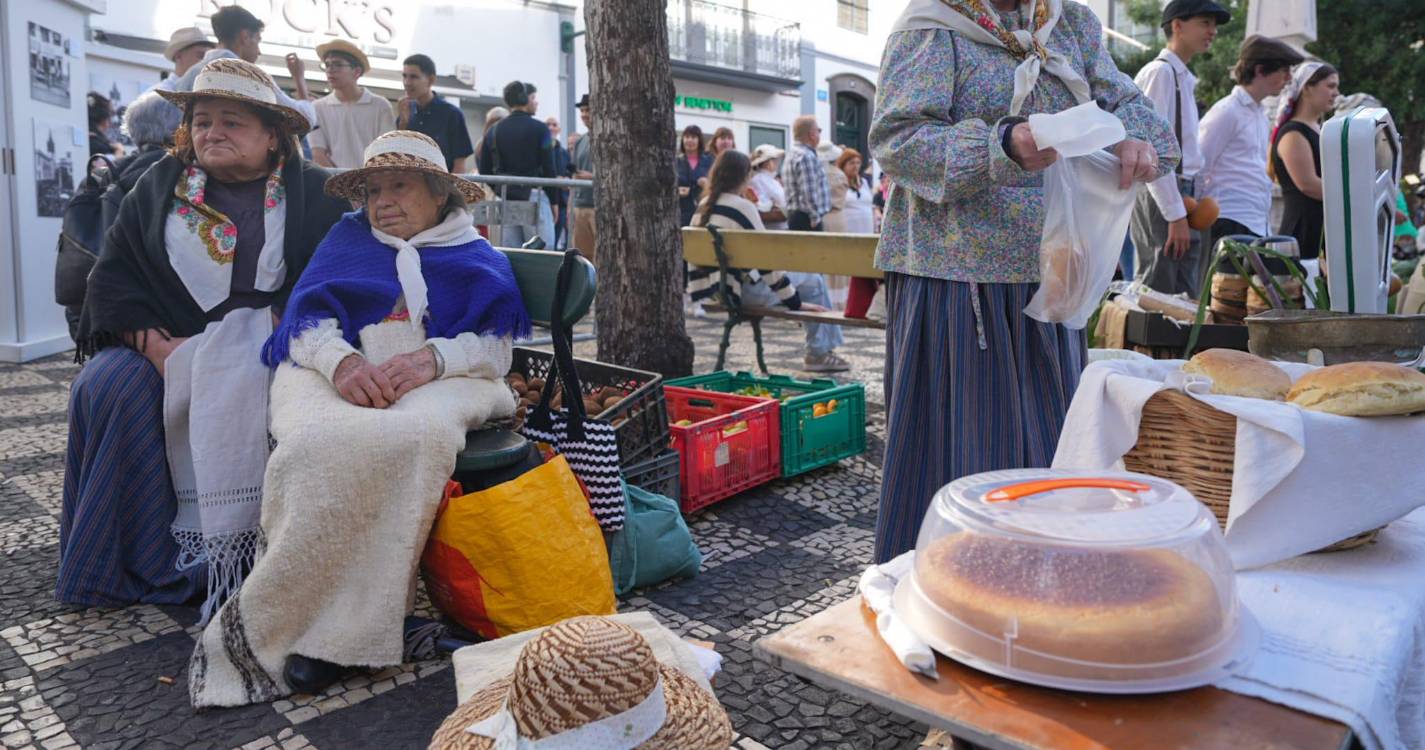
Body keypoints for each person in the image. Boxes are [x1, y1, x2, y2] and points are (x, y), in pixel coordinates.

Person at [190, 130, 528, 705]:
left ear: (441, 193)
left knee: (410, 436)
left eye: (399, 185)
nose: (382, 201)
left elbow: (497, 351)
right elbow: (305, 324)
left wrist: (432, 358)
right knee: (314, 443)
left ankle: (345, 637)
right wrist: (342, 362)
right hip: (332, 369)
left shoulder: (477, 256)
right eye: (373, 189)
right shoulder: (347, 239)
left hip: (440, 378)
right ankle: (289, 619)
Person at [870, 0, 1176, 563]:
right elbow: (898, 140)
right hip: (960, 285)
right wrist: (1002, 145)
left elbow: (1128, 104)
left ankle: (1045, 582)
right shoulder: (934, 27)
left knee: (1051, 449)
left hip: (1056, 280)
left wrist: (1138, 143)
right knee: (971, 459)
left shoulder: (1071, 24)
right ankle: (955, 589)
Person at [59, 59, 346, 609]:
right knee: (107, 384)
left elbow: (339, 277)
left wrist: (278, 335)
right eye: (202, 120)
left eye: (232, 122)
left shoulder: (317, 192)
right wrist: (160, 351)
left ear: (272, 135)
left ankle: (276, 558)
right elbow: (114, 277)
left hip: (284, 341)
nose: (212, 131)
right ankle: (135, 560)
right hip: (173, 341)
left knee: (294, 398)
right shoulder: (158, 186)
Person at [688, 150, 850, 373]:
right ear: (744, 177)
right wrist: (794, 302)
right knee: (813, 280)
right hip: (744, 293)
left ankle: (821, 348)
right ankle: (819, 352)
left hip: (716, 291)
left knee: (805, 281)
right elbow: (765, 264)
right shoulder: (743, 207)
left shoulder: (704, 205)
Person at [1131, 0, 1229, 296]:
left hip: (1183, 193)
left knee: (1185, 296)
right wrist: (1174, 214)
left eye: (1213, 24)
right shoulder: (1160, 73)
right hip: (1162, 191)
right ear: (1177, 25)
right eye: (1205, 22)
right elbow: (1151, 148)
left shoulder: (1181, 77)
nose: (1212, 31)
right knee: (1157, 293)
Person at [1198, 35, 1305, 254]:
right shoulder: (1227, 111)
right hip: (1228, 218)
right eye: (1283, 70)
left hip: (1254, 221)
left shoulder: (1259, 112)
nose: (1288, 78)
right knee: (1226, 288)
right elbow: (1199, 165)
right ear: (1260, 70)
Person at [168, 5, 316, 130]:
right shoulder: (248, 74)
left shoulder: (187, 76)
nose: (259, 51)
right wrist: (299, 79)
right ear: (245, 37)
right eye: (257, 40)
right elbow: (304, 118)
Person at [1270, 62, 1339, 263]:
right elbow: (1308, 185)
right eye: (1330, 86)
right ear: (1308, 87)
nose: (1336, 93)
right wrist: (1355, 195)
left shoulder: (1321, 130)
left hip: (1323, 231)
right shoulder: (1293, 133)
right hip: (1303, 231)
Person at [477, 81, 557, 248]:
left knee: (511, 255)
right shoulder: (541, 129)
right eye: (533, 97)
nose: (536, 102)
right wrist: (555, 201)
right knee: (542, 254)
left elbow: (484, 168)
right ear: (525, 98)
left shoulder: (494, 130)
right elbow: (549, 167)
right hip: (536, 195)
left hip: (506, 197)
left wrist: (499, 188)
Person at [309, 40, 396, 169]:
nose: (330, 70)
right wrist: (341, 182)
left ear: (356, 72)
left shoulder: (380, 105)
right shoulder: (317, 107)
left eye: (337, 64)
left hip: (373, 182)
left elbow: (387, 152)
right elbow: (318, 154)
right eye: (327, 65)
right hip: (333, 182)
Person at [397, 54, 474, 174]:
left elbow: (459, 164)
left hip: (441, 188)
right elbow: (397, 155)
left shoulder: (452, 114)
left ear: (431, 80)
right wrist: (403, 124)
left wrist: (451, 190)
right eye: (404, 76)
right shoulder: (405, 111)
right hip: (409, 185)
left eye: (413, 77)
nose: (407, 82)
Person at [782, 115, 832, 231]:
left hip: (797, 216)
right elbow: (808, 191)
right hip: (807, 219)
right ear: (812, 134)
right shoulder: (806, 156)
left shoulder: (792, 153)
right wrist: (815, 218)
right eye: (819, 130)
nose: (819, 134)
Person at [569, 94, 598, 261]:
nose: (584, 114)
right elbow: (574, 177)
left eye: (588, 109)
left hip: (598, 207)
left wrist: (592, 177)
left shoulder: (607, 137)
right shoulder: (580, 141)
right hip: (579, 207)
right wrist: (570, 208)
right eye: (582, 110)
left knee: (602, 257)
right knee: (583, 258)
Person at [154, 27, 214, 92]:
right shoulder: (162, 95)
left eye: (208, 57)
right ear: (178, 56)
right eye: (201, 56)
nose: (206, 62)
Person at [676, 125, 713, 227]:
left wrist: (707, 183)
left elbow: (716, 184)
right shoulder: (676, 162)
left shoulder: (709, 161)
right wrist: (677, 191)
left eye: (693, 137)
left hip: (703, 211)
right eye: (687, 137)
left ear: (699, 140)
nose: (690, 140)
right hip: (682, 213)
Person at [748, 144, 788, 230]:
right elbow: (761, 209)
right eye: (775, 159)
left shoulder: (771, 180)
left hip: (781, 228)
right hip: (771, 230)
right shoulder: (758, 180)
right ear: (768, 162)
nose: (777, 162)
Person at [546, 116, 571, 248]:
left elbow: (568, 171)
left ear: (559, 129)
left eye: (554, 124)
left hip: (561, 203)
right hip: (544, 201)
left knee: (556, 241)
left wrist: (567, 180)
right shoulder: (540, 149)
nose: (551, 127)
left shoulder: (564, 153)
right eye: (548, 124)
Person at [88, 92, 120, 157]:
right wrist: (119, 152)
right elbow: (110, 166)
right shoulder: (97, 145)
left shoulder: (89, 139)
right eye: (111, 115)